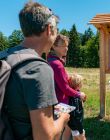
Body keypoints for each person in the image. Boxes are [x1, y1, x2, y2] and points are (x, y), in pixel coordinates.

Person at [3, 1, 70, 140]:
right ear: (49, 29)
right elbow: (45, 136)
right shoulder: (39, 68)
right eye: (56, 30)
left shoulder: (4, 56)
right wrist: (63, 118)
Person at [47, 34, 86, 140]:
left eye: (67, 45)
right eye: (63, 45)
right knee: (78, 131)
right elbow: (64, 88)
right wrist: (79, 94)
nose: (66, 48)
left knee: (66, 129)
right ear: (53, 46)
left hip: (54, 103)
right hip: (62, 103)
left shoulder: (49, 60)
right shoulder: (57, 64)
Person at [68, 74, 86, 140]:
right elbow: (76, 115)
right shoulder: (76, 98)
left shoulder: (70, 94)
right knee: (82, 138)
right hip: (77, 125)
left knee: (75, 138)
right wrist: (81, 130)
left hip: (72, 125)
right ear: (78, 85)